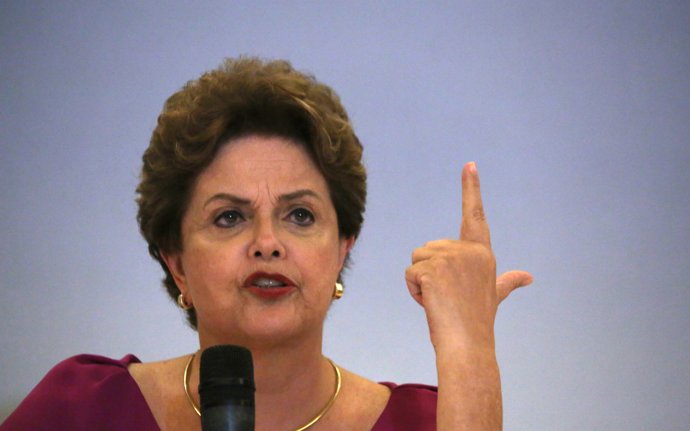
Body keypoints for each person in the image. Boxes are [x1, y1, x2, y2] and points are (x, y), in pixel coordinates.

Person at [1, 57, 532, 430]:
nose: (268, 243)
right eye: (230, 216)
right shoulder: (82, 413)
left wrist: (469, 354)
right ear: (176, 261)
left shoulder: (433, 423)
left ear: (343, 247)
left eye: (300, 215)